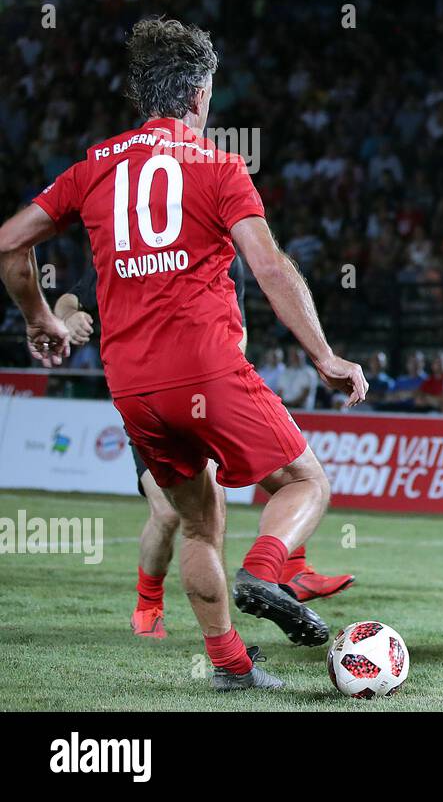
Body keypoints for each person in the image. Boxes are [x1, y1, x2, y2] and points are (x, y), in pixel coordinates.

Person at [0, 17, 368, 691]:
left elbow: (8, 241)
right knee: (306, 481)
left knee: (199, 528)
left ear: (143, 95)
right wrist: (325, 355)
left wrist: (41, 318)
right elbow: (272, 268)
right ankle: (265, 571)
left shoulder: (92, 167)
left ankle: (230, 666)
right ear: (199, 95)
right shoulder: (220, 165)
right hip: (208, 368)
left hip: (133, 387)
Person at [53, 253, 355, 638]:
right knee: (169, 515)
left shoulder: (224, 255)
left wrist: (214, 364)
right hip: (146, 397)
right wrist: (68, 318)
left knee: (263, 483)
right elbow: (68, 300)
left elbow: (239, 332)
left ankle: (289, 574)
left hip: (201, 393)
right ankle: (149, 605)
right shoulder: (128, 253)